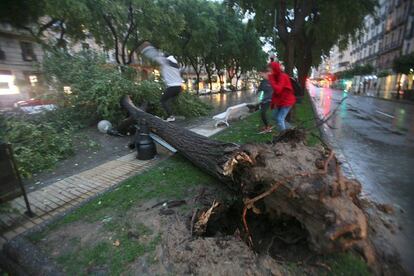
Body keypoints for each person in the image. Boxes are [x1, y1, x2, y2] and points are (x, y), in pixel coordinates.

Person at [139, 41, 183, 122]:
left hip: (172, 87)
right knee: (170, 100)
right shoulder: (176, 65)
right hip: (179, 87)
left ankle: (171, 116)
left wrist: (146, 49)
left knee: (163, 101)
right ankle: (172, 114)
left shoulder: (167, 62)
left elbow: (155, 56)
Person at [268, 61, 296, 131]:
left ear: (274, 69)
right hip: (281, 101)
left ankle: (283, 135)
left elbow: (278, 90)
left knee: (279, 118)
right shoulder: (275, 77)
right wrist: (273, 103)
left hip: (287, 101)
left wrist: (271, 79)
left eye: (270, 70)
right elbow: (276, 93)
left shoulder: (282, 76)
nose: (269, 72)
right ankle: (290, 129)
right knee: (275, 116)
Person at [256, 68, 273, 133]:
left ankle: (268, 127)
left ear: (266, 73)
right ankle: (266, 126)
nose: (260, 75)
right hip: (263, 100)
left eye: (261, 73)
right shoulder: (263, 81)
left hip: (269, 100)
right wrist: (257, 93)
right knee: (262, 114)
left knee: (263, 113)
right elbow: (259, 90)